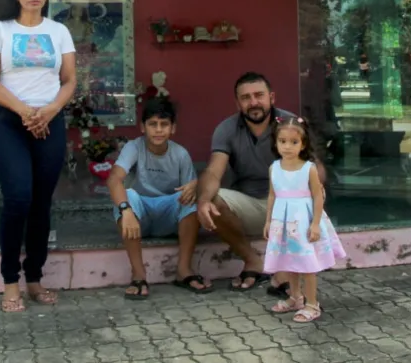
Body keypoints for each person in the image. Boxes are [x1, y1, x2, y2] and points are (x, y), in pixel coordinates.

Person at [0, 0, 77, 313]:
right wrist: (25, 111)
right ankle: (10, 281)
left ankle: (34, 278)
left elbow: (69, 80)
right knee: (18, 197)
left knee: (40, 202)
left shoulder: (60, 31)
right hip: (9, 121)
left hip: (48, 121)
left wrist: (48, 111)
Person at [196, 72, 297, 292]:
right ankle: (253, 261)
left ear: (272, 97)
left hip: (286, 205)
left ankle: (286, 272)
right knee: (212, 200)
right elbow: (214, 171)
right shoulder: (227, 129)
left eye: (259, 95)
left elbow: (313, 167)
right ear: (237, 103)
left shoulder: (290, 123)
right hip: (250, 203)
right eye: (246, 97)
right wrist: (203, 200)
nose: (253, 103)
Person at [107, 96, 212, 299]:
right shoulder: (134, 147)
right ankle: (138, 275)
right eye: (153, 124)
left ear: (173, 128)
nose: (158, 130)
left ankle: (183, 271)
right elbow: (114, 179)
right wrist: (125, 209)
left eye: (164, 124)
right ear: (142, 127)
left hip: (168, 215)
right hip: (138, 216)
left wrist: (195, 185)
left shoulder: (181, 154)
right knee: (127, 195)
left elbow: (190, 190)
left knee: (189, 198)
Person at [264, 116, 345, 323]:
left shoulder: (308, 168)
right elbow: (273, 195)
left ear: (303, 144)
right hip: (283, 222)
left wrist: (315, 223)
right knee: (290, 261)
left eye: (294, 142)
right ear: (275, 142)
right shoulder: (274, 168)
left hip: (303, 221)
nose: (287, 147)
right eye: (282, 141)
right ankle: (295, 297)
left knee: (307, 264)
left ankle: (312, 303)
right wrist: (268, 221)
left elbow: (318, 195)